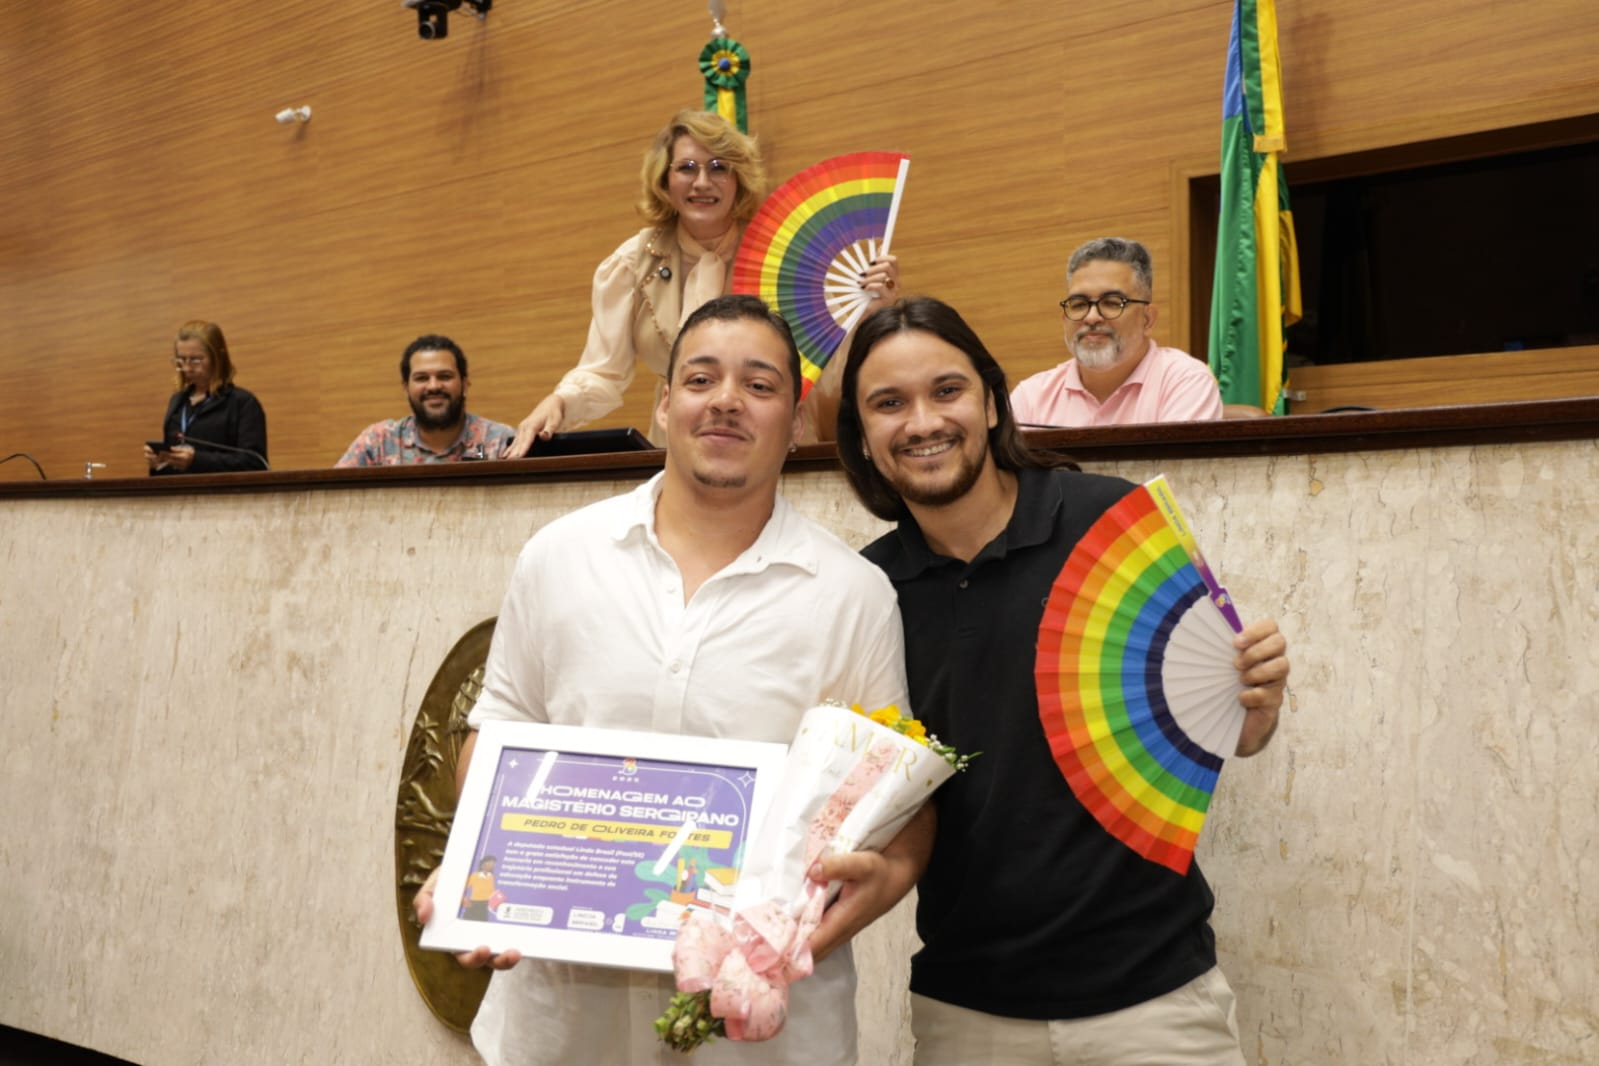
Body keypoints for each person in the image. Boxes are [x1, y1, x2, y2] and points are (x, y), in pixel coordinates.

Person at [413, 294, 924, 1066]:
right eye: (700, 378)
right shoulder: (559, 556)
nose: (726, 400)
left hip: (757, 1040)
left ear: (795, 422)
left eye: (759, 385)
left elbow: (882, 802)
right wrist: (485, 861)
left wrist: (807, 928)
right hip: (560, 1026)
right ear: (661, 405)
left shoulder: (852, 596)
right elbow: (500, 723)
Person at [830, 296, 1291, 1066]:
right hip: (964, 1010)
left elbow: (1226, 725)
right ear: (861, 435)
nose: (922, 422)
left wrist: (1254, 710)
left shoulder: (1111, 520)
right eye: (888, 403)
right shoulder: (864, 592)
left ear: (989, 400)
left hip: (1156, 1001)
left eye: (946, 390)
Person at [503, 109, 899, 456]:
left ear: (738, 178)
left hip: (775, 437)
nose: (703, 182)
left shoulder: (787, 249)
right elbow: (603, 372)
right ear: (664, 179)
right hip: (683, 438)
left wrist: (870, 312)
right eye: (687, 168)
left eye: (719, 167)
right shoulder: (631, 263)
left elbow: (827, 366)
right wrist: (560, 402)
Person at [1011, 237, 1224, 427]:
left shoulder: (1185, 382)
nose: (1091, 317)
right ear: (1064, 319)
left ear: (1147, 319)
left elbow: (1177, 462)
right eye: (1079, 304)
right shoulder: (1031, 397)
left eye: (1112, 303)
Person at [336, 335, 514, 466]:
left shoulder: (499, 442)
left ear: (465, 385)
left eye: (445, 376)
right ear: (406, 388)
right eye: (421, 378)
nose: (433, 386)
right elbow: (333, 497)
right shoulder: (378, 444)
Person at [145, 320, 268, 474]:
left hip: (222, 490)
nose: (187, 368)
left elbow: (255, 463)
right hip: (180, 489)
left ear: (218, 358)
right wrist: (159, 464)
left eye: (196, 360)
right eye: (181, 360)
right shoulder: (177, 402)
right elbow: (172, 467)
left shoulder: (242, 403)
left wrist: (196, 460)